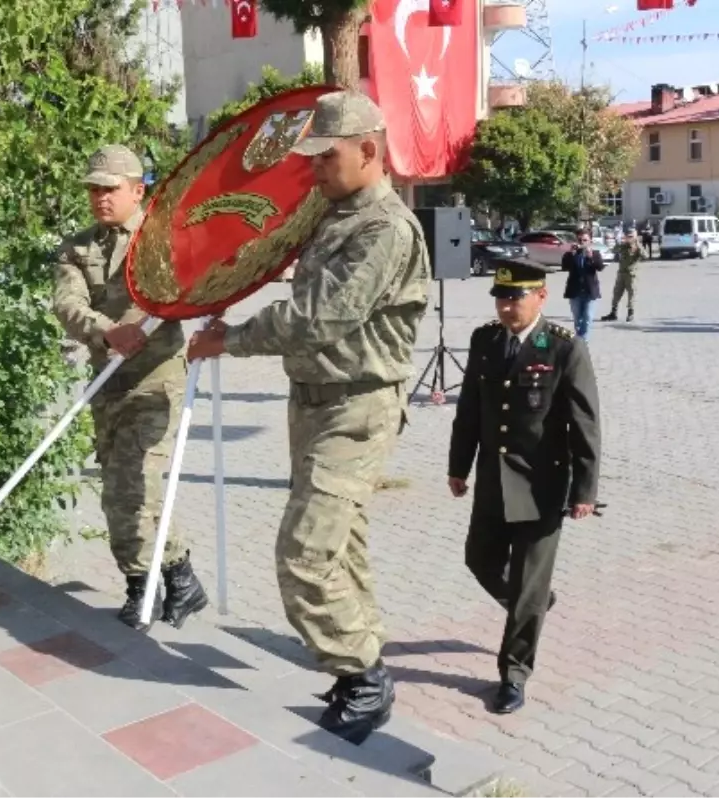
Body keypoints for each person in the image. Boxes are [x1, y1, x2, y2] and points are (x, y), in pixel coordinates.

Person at [187, 90, 429, 744]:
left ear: (370, 151)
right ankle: (359, 667)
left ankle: (363, 674)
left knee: (303, 554)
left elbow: (319, 317)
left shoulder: (384, 228)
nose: (315, 168)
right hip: (315, 404)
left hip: (356, 407)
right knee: (340, 548)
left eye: (327, 156)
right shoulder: (336, 214)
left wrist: (231, 339)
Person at [52, 145, 208, 632]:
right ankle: (180, 576)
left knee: (137, 487)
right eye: (93, 189)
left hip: (157, 381)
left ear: (137, 190)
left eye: (110, 188)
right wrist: (106, 330)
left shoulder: (164, 239)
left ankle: (141, 589)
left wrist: (140, 324)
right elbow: (67, 304)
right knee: (119, 492)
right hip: (108, 383)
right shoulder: (77, 248)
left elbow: (189, 288)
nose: (99, 197)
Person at [447, 258, 601, 715]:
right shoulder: (485, 341)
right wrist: (459, 466)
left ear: (541, 297)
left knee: (526, 591)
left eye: (516, 298)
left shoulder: (564, 347)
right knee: (480, 560)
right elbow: (470, 409)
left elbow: (585, 424)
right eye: (501, 298)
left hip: (542, 486)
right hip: (494, 482)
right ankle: (534, 601)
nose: (507, 307)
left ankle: (514, 674)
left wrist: (584, 491)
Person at [560, 228, 606, 341]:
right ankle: (580, 338)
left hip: (590, 291)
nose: (582, 242)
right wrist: (571, 254)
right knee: (577, 319)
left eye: (585, 240)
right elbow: (564, 267)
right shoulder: (572, 253)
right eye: (580, 240)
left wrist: (591, 258)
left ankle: (582, 341)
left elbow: (600, 267)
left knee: (588, 317)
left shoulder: (595, 254)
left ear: (590, 241)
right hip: (575, 291)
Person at [601, 228, 641, 322]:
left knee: (631, 294)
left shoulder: (638, 247)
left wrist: (637, 244)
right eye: (628, 236)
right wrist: (621, 242)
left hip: (631, 275)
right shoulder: (623, 246)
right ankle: (613, 313)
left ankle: (630, 313)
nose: (629, 238)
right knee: (616, 293)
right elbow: (614, 250)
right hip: (621, 273)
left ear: (635, 237)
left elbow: (645, 256)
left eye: (631, 236)